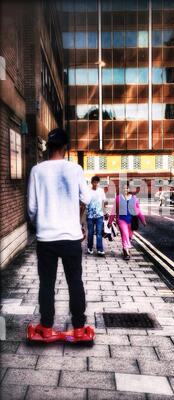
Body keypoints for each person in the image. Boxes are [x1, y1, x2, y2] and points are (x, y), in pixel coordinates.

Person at [27, 128, 92, 340]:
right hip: (71, 237)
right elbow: (87, 198)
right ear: (65, 147)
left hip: (46, 239)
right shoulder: (75, 169)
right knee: (75, 282)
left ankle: (46, 328)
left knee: (46, 283)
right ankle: (80, 328)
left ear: (48, 147)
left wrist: (41, 225)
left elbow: (32, 208)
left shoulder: (37, 171)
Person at [109, 182, 146, 260]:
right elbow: (113, 210)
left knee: (128, 236)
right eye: (123, 188)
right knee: (125, 233)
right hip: (121, 220)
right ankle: (126, 251)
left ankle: (125, 248)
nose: (125, 189)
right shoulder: (118, 198)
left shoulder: (134, 198)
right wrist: (110, 221)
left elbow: (138, 210)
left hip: (131, 221)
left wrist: (143, 220)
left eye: (127, 188)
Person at [86, 175, 107, 256]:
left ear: (98, 183)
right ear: (91, 183)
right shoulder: (88, 191)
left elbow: (104, 202)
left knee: (99, 233)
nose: (95, 184)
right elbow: (85, 203)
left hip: (99, 215)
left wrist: (105, 212)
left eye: (97, 182)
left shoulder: (101, 191)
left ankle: (100, 249)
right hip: (90, 216)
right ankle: (90, 247)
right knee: (90, 233)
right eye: (94, 182)